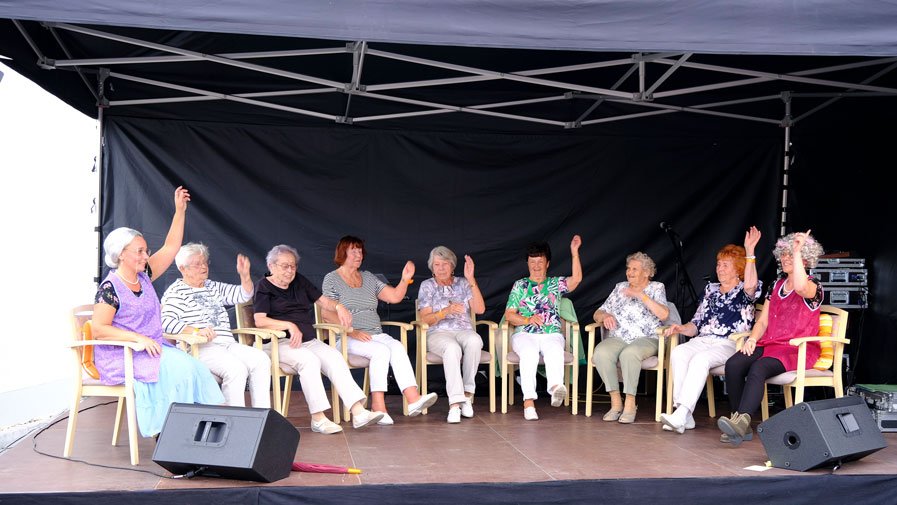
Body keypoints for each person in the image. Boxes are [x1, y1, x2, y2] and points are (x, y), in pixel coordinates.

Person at [91, 187, 224, 438]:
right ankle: (169, 434)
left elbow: (172, 246)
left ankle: (194, 430)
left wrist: (180, 211)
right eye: (139, 251)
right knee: (178, 370)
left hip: (152, 348)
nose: (146, 255)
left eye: (145, 250)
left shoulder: (145, 275)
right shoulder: (109, 289)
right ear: (121, 255)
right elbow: (98, 329)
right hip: (123, 354)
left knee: (193, 368)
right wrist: (138, 339)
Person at [253, 244, 384, 434]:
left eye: (293, 266)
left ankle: (358, 412)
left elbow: (322, 300)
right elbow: (259, 320)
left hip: (307, 341)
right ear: (272, 266)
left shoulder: (298, 280)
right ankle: (318, 418)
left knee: (334, 356)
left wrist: (339, 306)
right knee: (309, 360)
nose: (290, 271)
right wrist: (289, 325)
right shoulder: (264, 286)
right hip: (278, 343)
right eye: (285, 266)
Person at [718, 230, 824, 446]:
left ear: (804, 259)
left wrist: (797, 252)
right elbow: (763, 322)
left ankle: (741, 422)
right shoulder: (775, 286)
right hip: (771, 344)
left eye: (791, 254)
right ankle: (740, 422)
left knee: (759, 367)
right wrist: (752, 339)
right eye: (783, 254)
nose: (785, 258)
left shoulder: (814, 286)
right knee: (734, 364)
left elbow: (802, 288)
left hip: (796, 348)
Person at [321, 236, 438, 425]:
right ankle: (378, 405)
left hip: (374, 334)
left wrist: (404, 279)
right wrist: (352, 331)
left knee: (397, 346)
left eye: (360, 251)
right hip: (345, 337)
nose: (359, 254)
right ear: (343, 253)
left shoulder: (368, 277)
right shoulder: (332, 279)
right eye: (354, 251)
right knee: (381, 351)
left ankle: (413, 399)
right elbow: (326, 314)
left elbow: (394, 297)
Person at [659, 227, 762, 434]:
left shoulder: (745, 290)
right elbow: (696, 323)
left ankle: (682, 412)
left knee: (700, 360)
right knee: (679, 352)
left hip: (729, 343)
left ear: (738, 269)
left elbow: (751, 285)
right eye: (718, 264)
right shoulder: (710, 290)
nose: (719, 268)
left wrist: (750, 251)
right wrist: (681, 328)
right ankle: (684, 415)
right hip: (703, 340)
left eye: (725, 265)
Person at [160, 243, 272, 408]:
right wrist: (197, 331)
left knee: (261, 359)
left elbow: (243, 295)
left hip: (227, 343)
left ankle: (262, 415)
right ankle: (235, 421)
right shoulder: (176, 292)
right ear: (183, 268)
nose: (204, 267)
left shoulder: (213, 286)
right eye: (198, 264)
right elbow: (166, 322)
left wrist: (244, 276)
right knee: (236, 369)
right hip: (199, 348)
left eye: (205, 262)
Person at [504, 235, 583, 421]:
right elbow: (509, 315)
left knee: (555, 350)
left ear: (547, 263)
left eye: (540, 261)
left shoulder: (555, 284)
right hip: (524, 333)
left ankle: (556, 388)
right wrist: (528, 319)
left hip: (551, 333)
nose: (536, 266)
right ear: (527, 263)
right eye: (533, 262)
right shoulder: (520, 285)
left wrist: (574, 253)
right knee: (529, 353)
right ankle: (528, 402)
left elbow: (577, 279)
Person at [592, 252, 669, 424]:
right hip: (619, 336)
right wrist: (604, 317)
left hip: (647, 337)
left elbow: (664, 314)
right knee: (601, 353)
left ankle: (630, 403)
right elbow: (597, 312)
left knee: (629, 353)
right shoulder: (620, 287)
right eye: (628, 268)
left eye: (635, 269)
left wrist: (640, 295)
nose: (629, 272)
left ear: (647, 273)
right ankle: (615, 401)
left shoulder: (656, 287)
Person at [418, 246, 486, 423]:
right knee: (452, 348)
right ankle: (455, 404)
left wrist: (471, 279)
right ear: (432, 267)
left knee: (474, 340)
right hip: (437, 333)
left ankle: (467, 395)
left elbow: (479, 309)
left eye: (445, 264)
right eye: (437, 264)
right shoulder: (427, 286)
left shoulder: (463, 283)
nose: (441, 268)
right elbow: (425, 320)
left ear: (452, 266)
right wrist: (445, 311)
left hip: (463, 330)